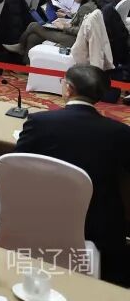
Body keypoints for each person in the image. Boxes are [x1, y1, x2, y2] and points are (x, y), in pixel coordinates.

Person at [14, 64, 130, 285]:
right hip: (96, 225)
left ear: (68, 89)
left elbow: (16, 166)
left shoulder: (39, 122)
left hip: (39, 213)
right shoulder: (120, 132)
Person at [4, 0, 97, 56]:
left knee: (33, 25)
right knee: (33, 38)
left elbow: (82, 30)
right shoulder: (89, 3)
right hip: (73, 36)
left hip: (72, 39)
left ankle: (20, 46)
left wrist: (63, 27)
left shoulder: (86, 7)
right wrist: (69, 15)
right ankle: (28, 66)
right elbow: (81, 19)